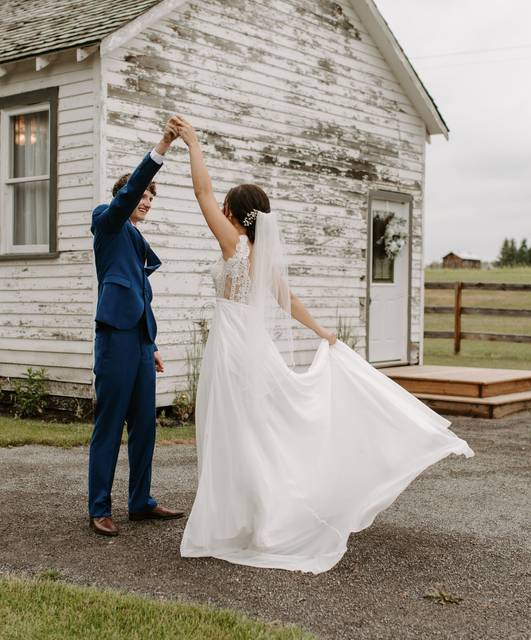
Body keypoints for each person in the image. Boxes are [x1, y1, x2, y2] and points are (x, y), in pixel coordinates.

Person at [171, 115, 474, 573]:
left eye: (228, 207)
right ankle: (258, 519)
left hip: (232, 350)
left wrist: (193, 143)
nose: (223, 210)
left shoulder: (233, 244)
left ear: (236, 214)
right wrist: (322, 332)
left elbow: (201, 194)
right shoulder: (260, 255)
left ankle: (258, 523)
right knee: (253, 433)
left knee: (235, 433)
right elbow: (287, 299)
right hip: (251, 349)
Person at [87, 118, 185, 537]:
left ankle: (141, 501)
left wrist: (154, 343)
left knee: (145, 425)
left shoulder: (137, 242)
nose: (146, 200)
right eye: (141, 195)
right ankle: (99, 508)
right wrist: (163, 145)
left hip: (141, 343)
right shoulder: (106, 223)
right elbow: (126, 196)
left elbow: (140, 296)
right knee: (109, 426)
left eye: (150, 197)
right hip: (114, 340)